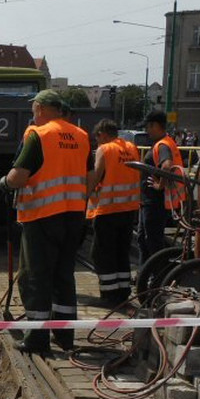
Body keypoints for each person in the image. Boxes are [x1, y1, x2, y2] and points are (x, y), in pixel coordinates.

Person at [0, 89, 89, 354]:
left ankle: (36, 339)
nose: (33, 114)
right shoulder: (81, 136)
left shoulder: (40, 135)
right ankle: (64, 336)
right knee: (63, 275)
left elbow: (19, 176)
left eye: (34, 109)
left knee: (36, 276)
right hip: (74, 215)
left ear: (40, 108)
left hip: (42, 216)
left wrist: (4, 183)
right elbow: (91, 175)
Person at [86, 119, 140, 307]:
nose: (97, 142)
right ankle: (123, 291)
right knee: (121, 251)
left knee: (102, 253)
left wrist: (84, 194)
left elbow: (96, 174)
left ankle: (109, 294)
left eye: (97, 138)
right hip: (129, 209)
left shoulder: (105, 149)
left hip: (108, 209)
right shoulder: (131, 148)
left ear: (102, 134)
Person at [138, 110, 184, 262]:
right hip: (152, 202)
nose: (147, 130)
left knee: (152, 240)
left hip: (155, 202)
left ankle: (156, 275)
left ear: (156, 126)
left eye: (149, 126)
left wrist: (160, 185)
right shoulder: (167, 142)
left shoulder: (162, 145)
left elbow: (167, 165)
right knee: (145, 239)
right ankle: (145, 274)